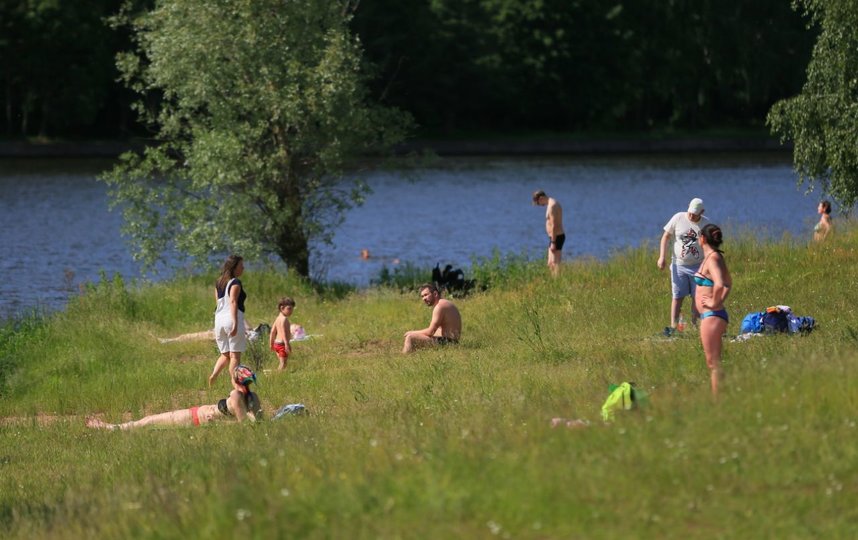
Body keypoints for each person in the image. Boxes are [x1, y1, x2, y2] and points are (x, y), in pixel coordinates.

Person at [87, 365, 263, 430]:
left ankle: (108, 428)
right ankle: (110, 427)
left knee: (148, 421)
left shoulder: (236, 395)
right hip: (197, 414)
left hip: (195, 418)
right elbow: (258, 420)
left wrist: (217, 423)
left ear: (236, 380)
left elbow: (244, 426)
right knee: (148, 422)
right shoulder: (252, 396)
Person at [657, 197, 709, 333]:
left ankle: (694, 325)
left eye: (695, 213)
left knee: (697, 297)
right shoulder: (678, 218)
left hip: (698, 267)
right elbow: (665, 237)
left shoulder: (706, 225)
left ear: (702, 212)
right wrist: (662, 257)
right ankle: (674, 326)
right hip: (678, 266)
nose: (691, 215)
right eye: (690, 212)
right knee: (677, 296)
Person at [693, 224, 732, 398]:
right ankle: (723, 395)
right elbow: (729, 283)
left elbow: (720, 283)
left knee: (712, 363)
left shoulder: (713, 259)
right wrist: (718, 301)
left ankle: (718, 402)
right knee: (714, 362)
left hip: (712, 316)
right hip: (712, 315)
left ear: (702, 238)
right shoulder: (712, 257)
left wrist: (714, 302)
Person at [208, 254, 248, 387]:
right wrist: (235, 323)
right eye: (241, 266)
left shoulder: (218, 282)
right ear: (234, 267)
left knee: (225, 355)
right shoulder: (235, 282)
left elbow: (218, 303)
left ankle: (214, 375)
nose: (243, 268)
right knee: (235, 356)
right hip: (231, 319)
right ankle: (236, 384)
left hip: (218, 320)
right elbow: (232, 301)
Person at [402, 283, 462, 353]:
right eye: (422, 296)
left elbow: (430, 332)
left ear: (435, 294)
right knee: (418, 338)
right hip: (451, 341)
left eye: (426, 295)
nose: (424, 298)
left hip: (448, 343)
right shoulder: (445, 303)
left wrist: (411, 332)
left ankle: (402, 360)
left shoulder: (439, 307)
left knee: (410, 337)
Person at [532, 190, 565, 277]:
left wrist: (553, 242)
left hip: (556, 237)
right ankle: (554, 282)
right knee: (550, 263)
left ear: (541, 198)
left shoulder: (552, 206)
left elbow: (554, 225)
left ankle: (557, 283)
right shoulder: (552, 203)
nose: (539, 205)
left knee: (555, 263)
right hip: (554, 237)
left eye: (538, 203)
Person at [269, 297, 295, 370]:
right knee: (283, 364)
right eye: (289, 309)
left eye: (292, 309)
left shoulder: (277, 318)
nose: (291, 311)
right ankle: (276, 377)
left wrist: (271, 344)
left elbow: (272, 332)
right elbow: (283, 332)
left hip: (276, 344)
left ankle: (278, 376)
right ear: (282, 308)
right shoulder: (284, 319)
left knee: (282, 363)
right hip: (282, 345)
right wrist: (287, 344)